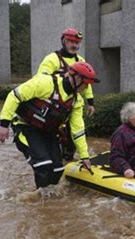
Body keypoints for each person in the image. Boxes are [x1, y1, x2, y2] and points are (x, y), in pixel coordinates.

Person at [0, 62, 99, 189]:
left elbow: (78, 130)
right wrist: (4, 124)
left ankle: (49, 200)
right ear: (76, 78)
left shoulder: (76, 101)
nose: (87, 87)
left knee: (58, 169)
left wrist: (84, 156)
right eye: (86, 83)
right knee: (43, 165)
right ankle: (38, 201)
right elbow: (15, 96)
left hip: (48, 133)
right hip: (26, 127)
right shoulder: (46, 83)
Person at [37, 28, 95, 161]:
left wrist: (90, 103)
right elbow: (41, 80)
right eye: (71, 42)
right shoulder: (52, 59)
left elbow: (87, 83)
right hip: (54, 105)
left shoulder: (81, 60)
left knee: (73, 134)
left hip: (73, 105)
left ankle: (68, 160)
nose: (75, 45)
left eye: (77, 42)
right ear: (64, 41)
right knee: (52, 134)